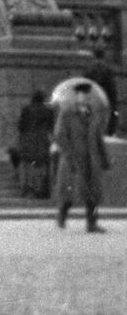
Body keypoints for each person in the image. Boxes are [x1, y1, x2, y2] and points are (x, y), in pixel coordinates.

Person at [52, 79, 111, 233]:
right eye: (81, 94)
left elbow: (98, 137)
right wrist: (68, 153)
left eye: (87, 95)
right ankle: (62, 214)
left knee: (93, 193)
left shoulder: (93, 113)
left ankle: (92, 223)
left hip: (91, 159)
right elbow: (59, 135)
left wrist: (104, 158)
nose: (84, 97)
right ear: (75, 96)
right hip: (73, 159)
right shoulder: (67, 113)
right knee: (69, 192)